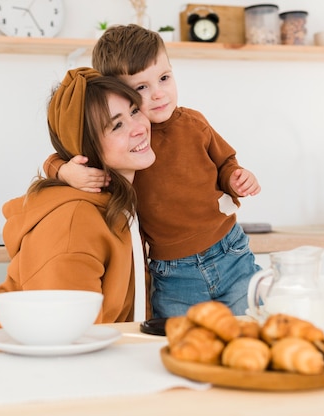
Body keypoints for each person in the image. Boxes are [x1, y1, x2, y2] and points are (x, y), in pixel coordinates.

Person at [44, 24, 262, 318]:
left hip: (229, 252)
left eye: (164, 78)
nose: (159, 94)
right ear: (118, 93)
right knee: (177, 343)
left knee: (251, 329)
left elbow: (226, 163)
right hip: (173, 273)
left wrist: (236, 178)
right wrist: (65, 171)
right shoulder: (122, 148)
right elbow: (59, 157)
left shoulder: (193, 123)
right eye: (141, 88)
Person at [0, 67, 156, 331]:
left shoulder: (122, 202)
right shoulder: (75, 222)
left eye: (134, 111)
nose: (139, 128)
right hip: (4, 361)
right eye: (117, 125)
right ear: (87, 148)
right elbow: (70, 337)